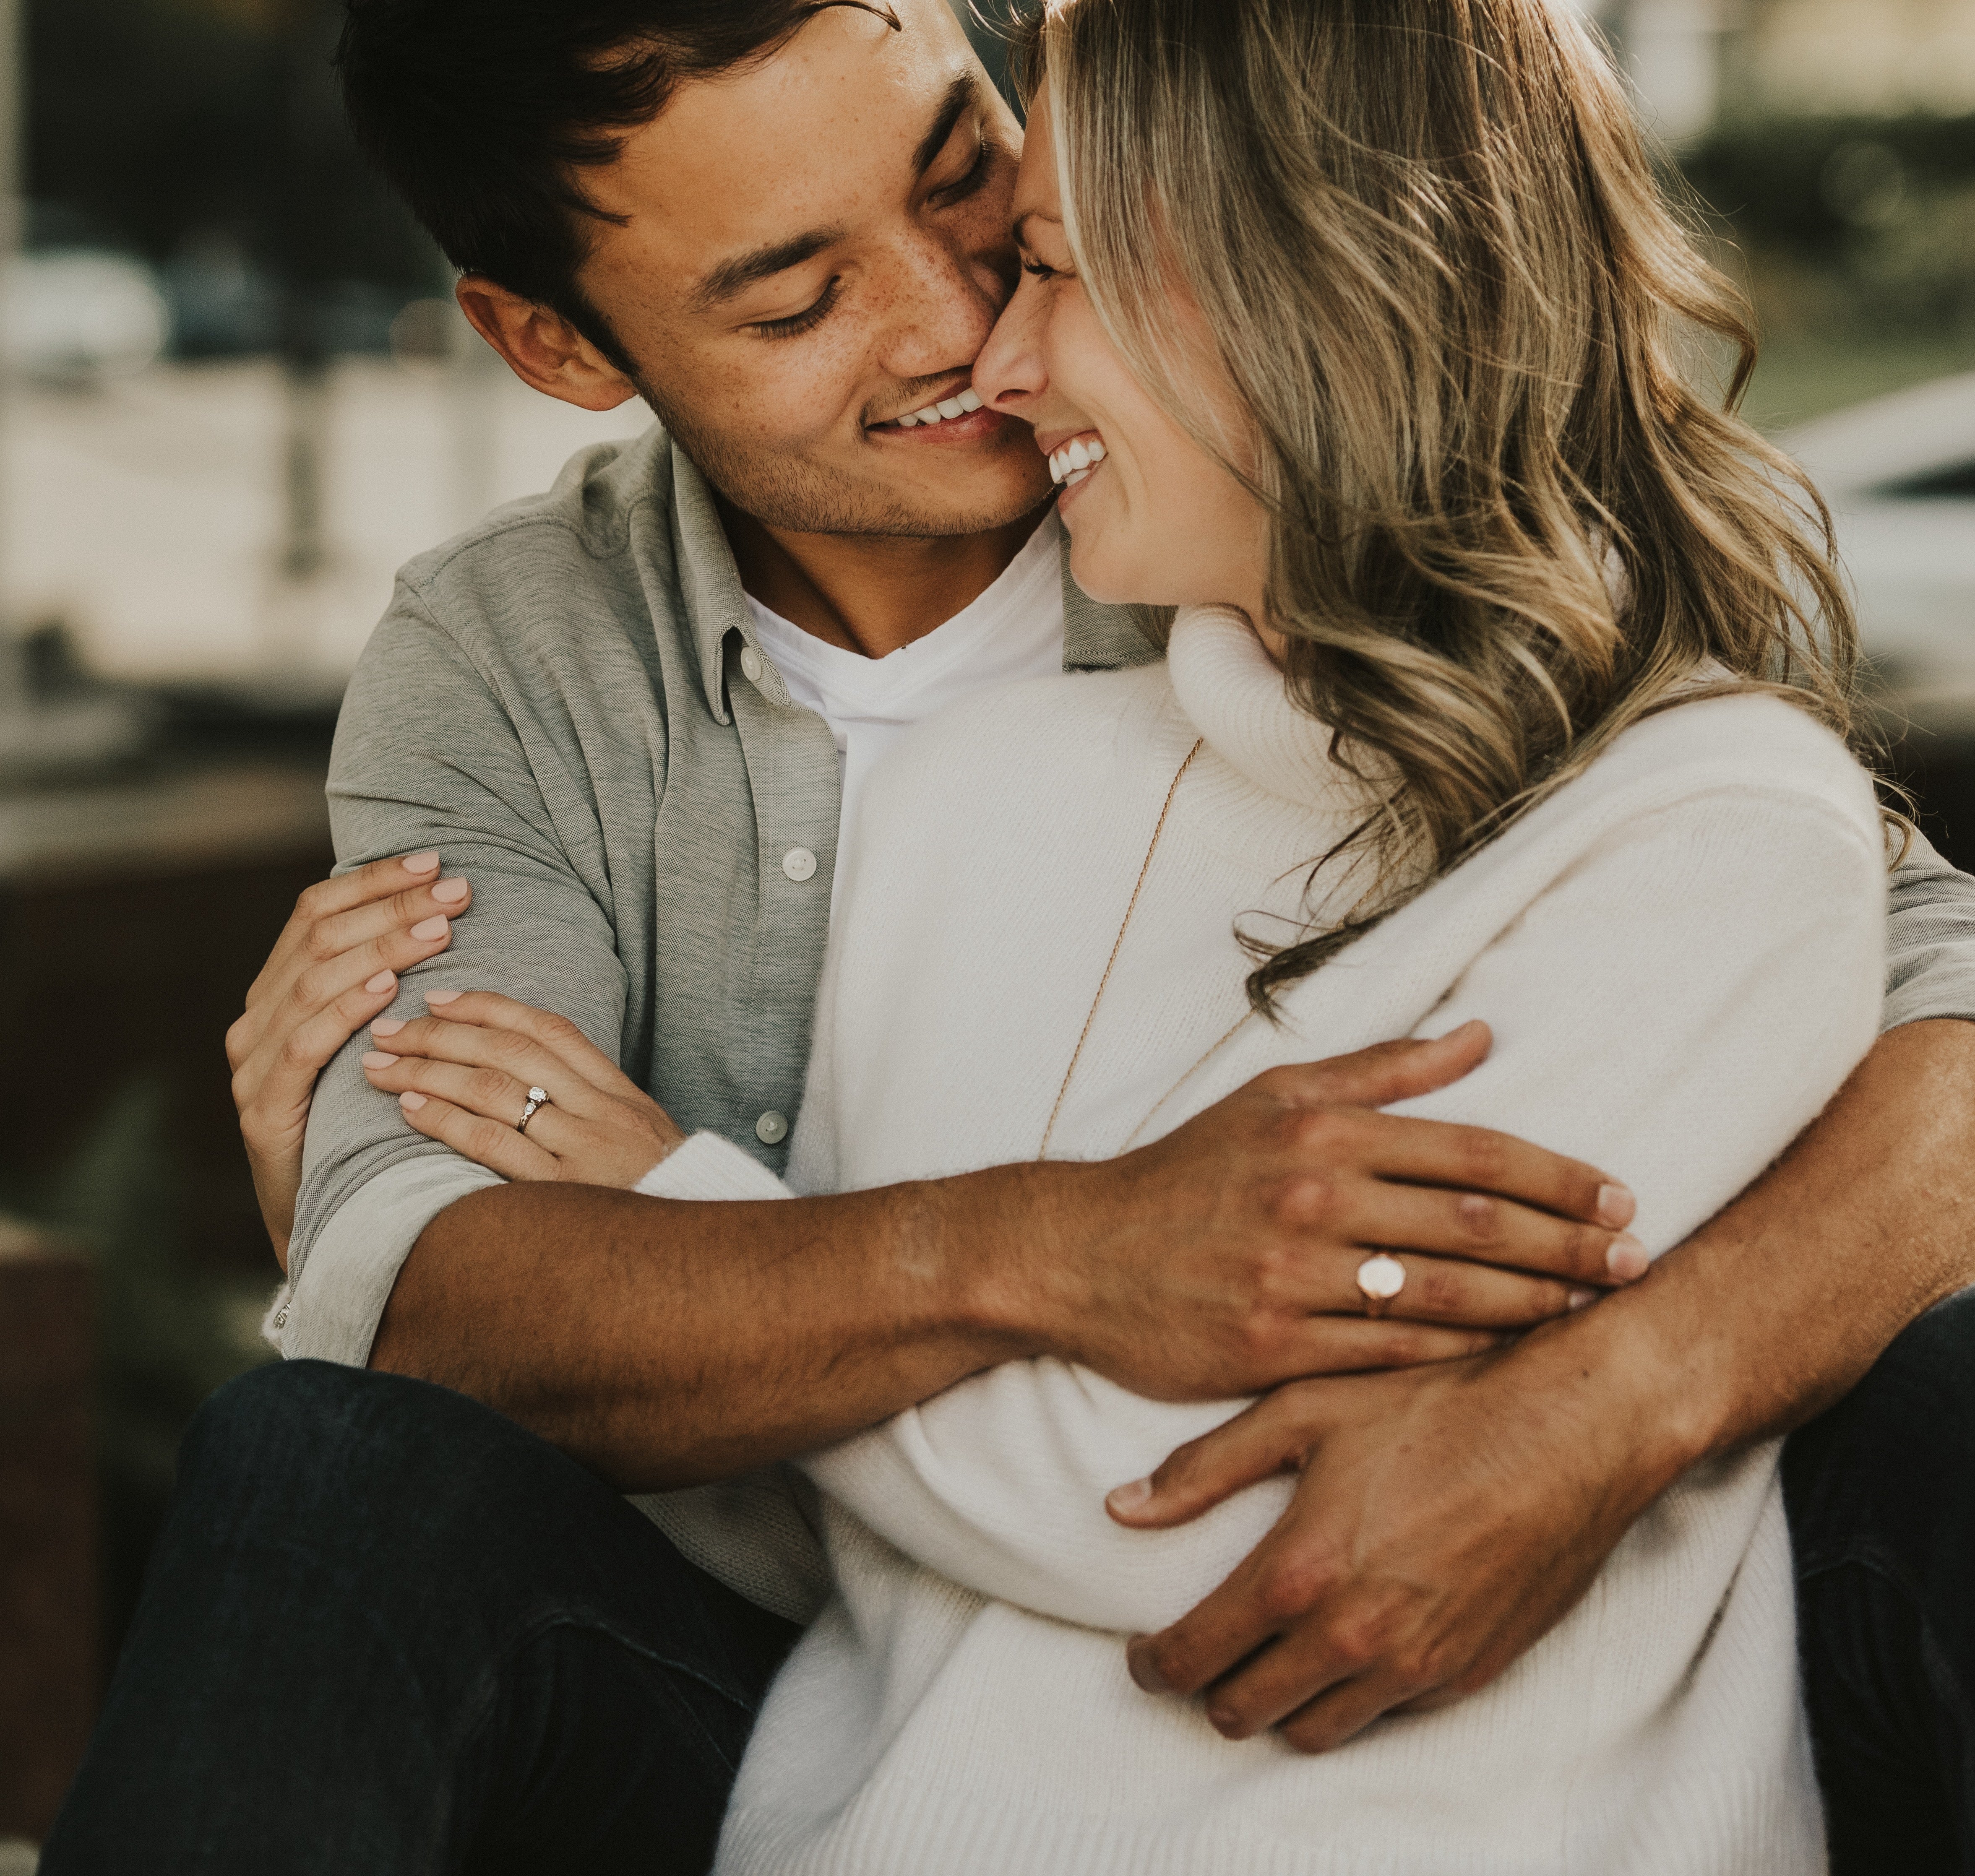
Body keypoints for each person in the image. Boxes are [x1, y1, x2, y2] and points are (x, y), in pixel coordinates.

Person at [36, 1, 1975, 1871]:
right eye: (795, 299)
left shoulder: (1319, 549)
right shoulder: (517, 655)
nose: (967, 328)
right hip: (782, 1682)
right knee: (320, 1477)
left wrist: (1609, 1411)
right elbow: (438, 1300)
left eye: (977, 187)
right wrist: (1059, 1252)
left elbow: (1928, 1009)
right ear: (552, 343)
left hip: (1397, 1687)